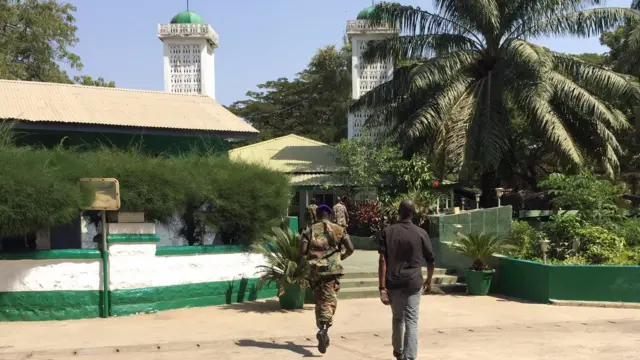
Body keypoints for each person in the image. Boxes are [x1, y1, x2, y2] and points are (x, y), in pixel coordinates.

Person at [378, 200, 435, 360]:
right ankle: (409, 357)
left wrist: (381, 287)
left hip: (393, 283)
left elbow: (382, 260)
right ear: (413, 213)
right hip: (413, 283)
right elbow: (431, 260)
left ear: (399, 212)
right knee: (412, 320)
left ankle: (398, 351)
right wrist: (429, 281)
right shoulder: (421, 233)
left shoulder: (387, 232)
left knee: (397, 318)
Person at [300, 204, 355, 354]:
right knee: (329, 301)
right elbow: (350, 248)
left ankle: (322, 329)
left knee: (319, 301)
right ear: (330, 216)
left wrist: (312, 258)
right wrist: (339, 257)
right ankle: (324, 329)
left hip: (316, 272)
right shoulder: (339, 230)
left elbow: (302, 251)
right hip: (332, 271)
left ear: (317, 216)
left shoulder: (310, 230)